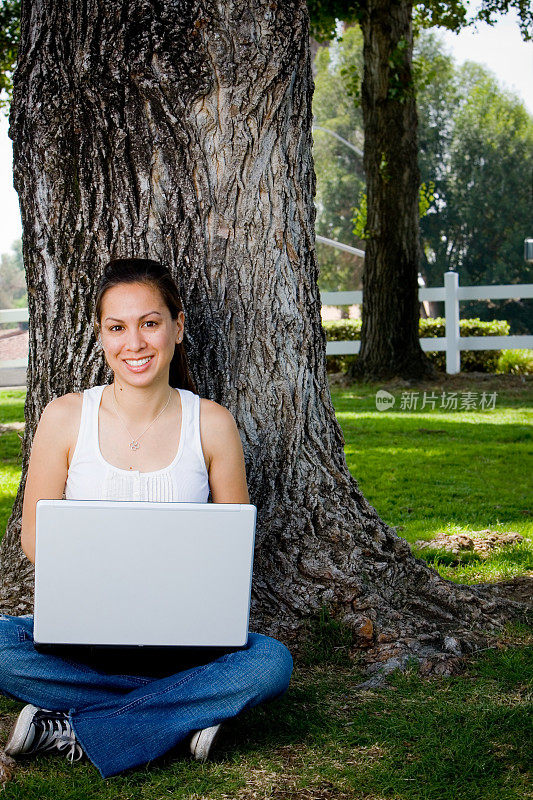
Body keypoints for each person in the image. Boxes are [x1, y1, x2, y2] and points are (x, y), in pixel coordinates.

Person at [0, 258, 293, 779]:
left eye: (150, 323)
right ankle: (183, 714)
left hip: (183, 643)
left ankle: (79, 723)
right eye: (117, 327)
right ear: (101, 335)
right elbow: (34, 538)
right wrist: (100, 590)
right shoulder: (65, 417)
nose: (134, 343)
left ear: (178, 327)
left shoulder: (211, 422)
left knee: (270, 661)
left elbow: (230, 549)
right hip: (82, 636)